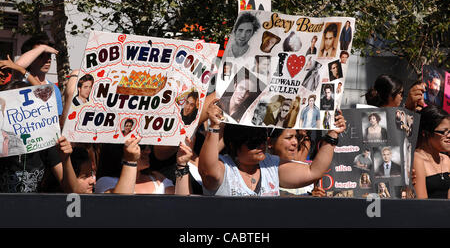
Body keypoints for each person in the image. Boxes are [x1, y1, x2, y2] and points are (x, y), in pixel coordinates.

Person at [198, 99, 346, 196]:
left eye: (262, 139)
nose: (260, 146)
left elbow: (313, 171)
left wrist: (332, 135)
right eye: (252, 143)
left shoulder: (271, 165)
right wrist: (215, 126)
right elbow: (207, 170)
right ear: (232, 145)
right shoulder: (224, 168)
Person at [95, 136, 193, 195]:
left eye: (148, 145)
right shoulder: (105, 181)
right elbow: (121, 206)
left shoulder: (157, 178)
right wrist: (130, 161)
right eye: (141, 146)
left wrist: (182, 164)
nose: (148, 150)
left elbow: (182, 203)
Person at [14, 36, 63, 116]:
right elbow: (18, 65)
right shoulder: (20, 81)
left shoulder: (54, 88)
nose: (48, 60)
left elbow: (57, 119)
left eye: (49, 55)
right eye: (41, 55)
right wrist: (42, 48)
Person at [413, 105, 449, 199]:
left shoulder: (446, 159)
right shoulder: (417, 159)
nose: (449, 136)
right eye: (444, 132)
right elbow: (422, 203)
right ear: (426, 133)